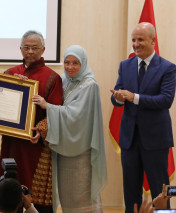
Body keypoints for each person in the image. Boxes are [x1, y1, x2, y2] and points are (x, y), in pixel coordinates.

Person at [110, 22, 176, 213]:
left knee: (161, 190)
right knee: (131, 192)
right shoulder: (125, 65)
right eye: (133, 40)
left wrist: (134, 97)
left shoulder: (167, 67)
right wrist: (119, 99)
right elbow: (116, 98)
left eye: (140, 40)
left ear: (153, 41)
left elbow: (166, 100)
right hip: (129, 140)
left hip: (156, 140)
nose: (136, 44)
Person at [32, 45, 108, 212]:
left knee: (83, 200)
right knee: (68, 200)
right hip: (63, 152)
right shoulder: (63, 80)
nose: (70, 67)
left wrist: (48, 106)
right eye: (67, 62)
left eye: (75, 63)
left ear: (83, 63)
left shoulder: (90, 85)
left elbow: (76, 116)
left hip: (81, 153)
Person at [0, 30, 63, 213]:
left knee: (36, 196)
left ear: (43, 50)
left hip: (36, 146)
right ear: (20, 49)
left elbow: (56, 113)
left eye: (35, 48)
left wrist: (40, 130)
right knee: (8, 189)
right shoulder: (9, 73)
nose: (30, 52)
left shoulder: (52, 78)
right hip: (11, 143)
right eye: (26, 47)